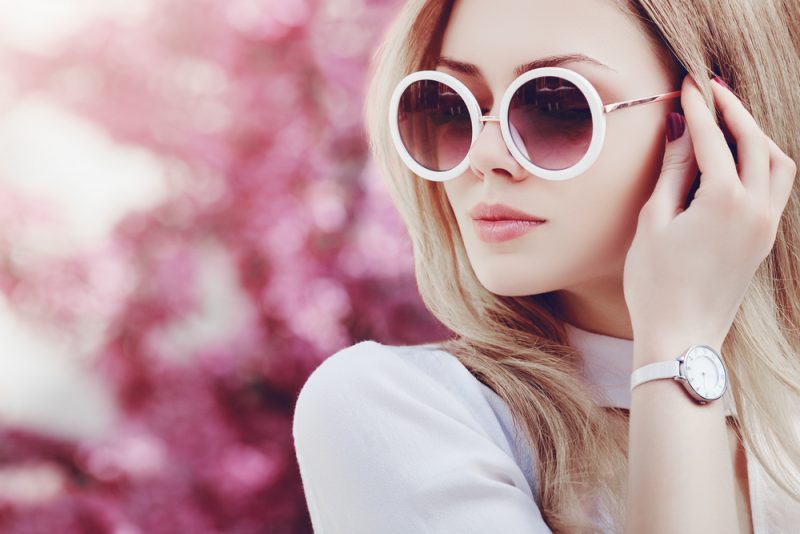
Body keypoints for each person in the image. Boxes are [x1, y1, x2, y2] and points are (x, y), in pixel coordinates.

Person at [292, 0, 800, 532]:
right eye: (448, 106)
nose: (485, 154)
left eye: (557, 105)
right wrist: (678, 340)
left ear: (717, 126)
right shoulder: (391, 411)